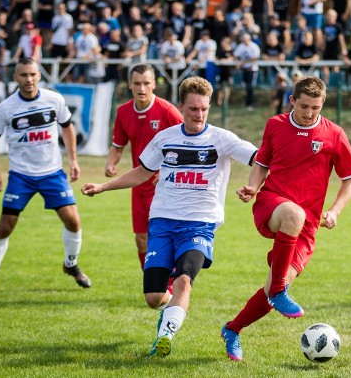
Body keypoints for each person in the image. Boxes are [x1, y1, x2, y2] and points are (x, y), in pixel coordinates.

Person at [81, 76, 258, 357]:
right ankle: (171, 311)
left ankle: (166, 335)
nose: (199, 115)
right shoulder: (165, 138)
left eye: (204, 109)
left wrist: (255, 185)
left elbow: (260, 158)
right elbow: (142, 172)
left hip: (200, 223)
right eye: (192, 109)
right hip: (162, 222)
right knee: (153, 298)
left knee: (184, 280)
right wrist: (103, 187)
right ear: (181, 107)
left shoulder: (222, 139)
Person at [220, 76, 351, 362]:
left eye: (316, 108)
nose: (309, 113)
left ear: (323, 105)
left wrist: (334, 211)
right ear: (292, 100)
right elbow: (261, 163)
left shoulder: (334, 134)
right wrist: (253, 187)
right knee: (293, 215)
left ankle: (232, 330)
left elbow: (350, 180)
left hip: (307, 227)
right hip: (273, 204)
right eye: (304, 106)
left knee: (270, 294)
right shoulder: (276, 125)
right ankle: (280, 290)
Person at [0, 58, 91, 293]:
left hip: (52, 173)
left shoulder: (54, 100)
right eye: (23, 75)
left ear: (39, 75)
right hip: (21, 176)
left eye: (32, 74)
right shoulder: (7, 107)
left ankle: (71, 265)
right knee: (6, 226)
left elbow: (67, 126)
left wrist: (73, 160)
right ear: (15, 78)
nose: (28, 80)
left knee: (73, 220)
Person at [105, 64, 183, 272]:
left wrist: (169, 171)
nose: (141, 88)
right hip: (138, 185)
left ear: (154, 85)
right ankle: (150, 279)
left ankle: (172, 283)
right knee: (141, 238)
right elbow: (118, 145)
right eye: (137, 83)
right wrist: (111, 162)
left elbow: (187, 143)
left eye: (146, 83)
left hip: (165, 186)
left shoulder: (168, 112)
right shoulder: (123, 112)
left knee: (164, 237)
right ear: (130, 84)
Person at [233, 33, 260, 111]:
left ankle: (250, 104)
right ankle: (246, 103)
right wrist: (237, 62)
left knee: (250, 87)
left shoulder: (254, 46)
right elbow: (235, 55)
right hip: (244, 69)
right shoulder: (241, 46)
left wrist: (242, 62)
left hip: (252, 69)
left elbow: (255, 58)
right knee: (245, 86)